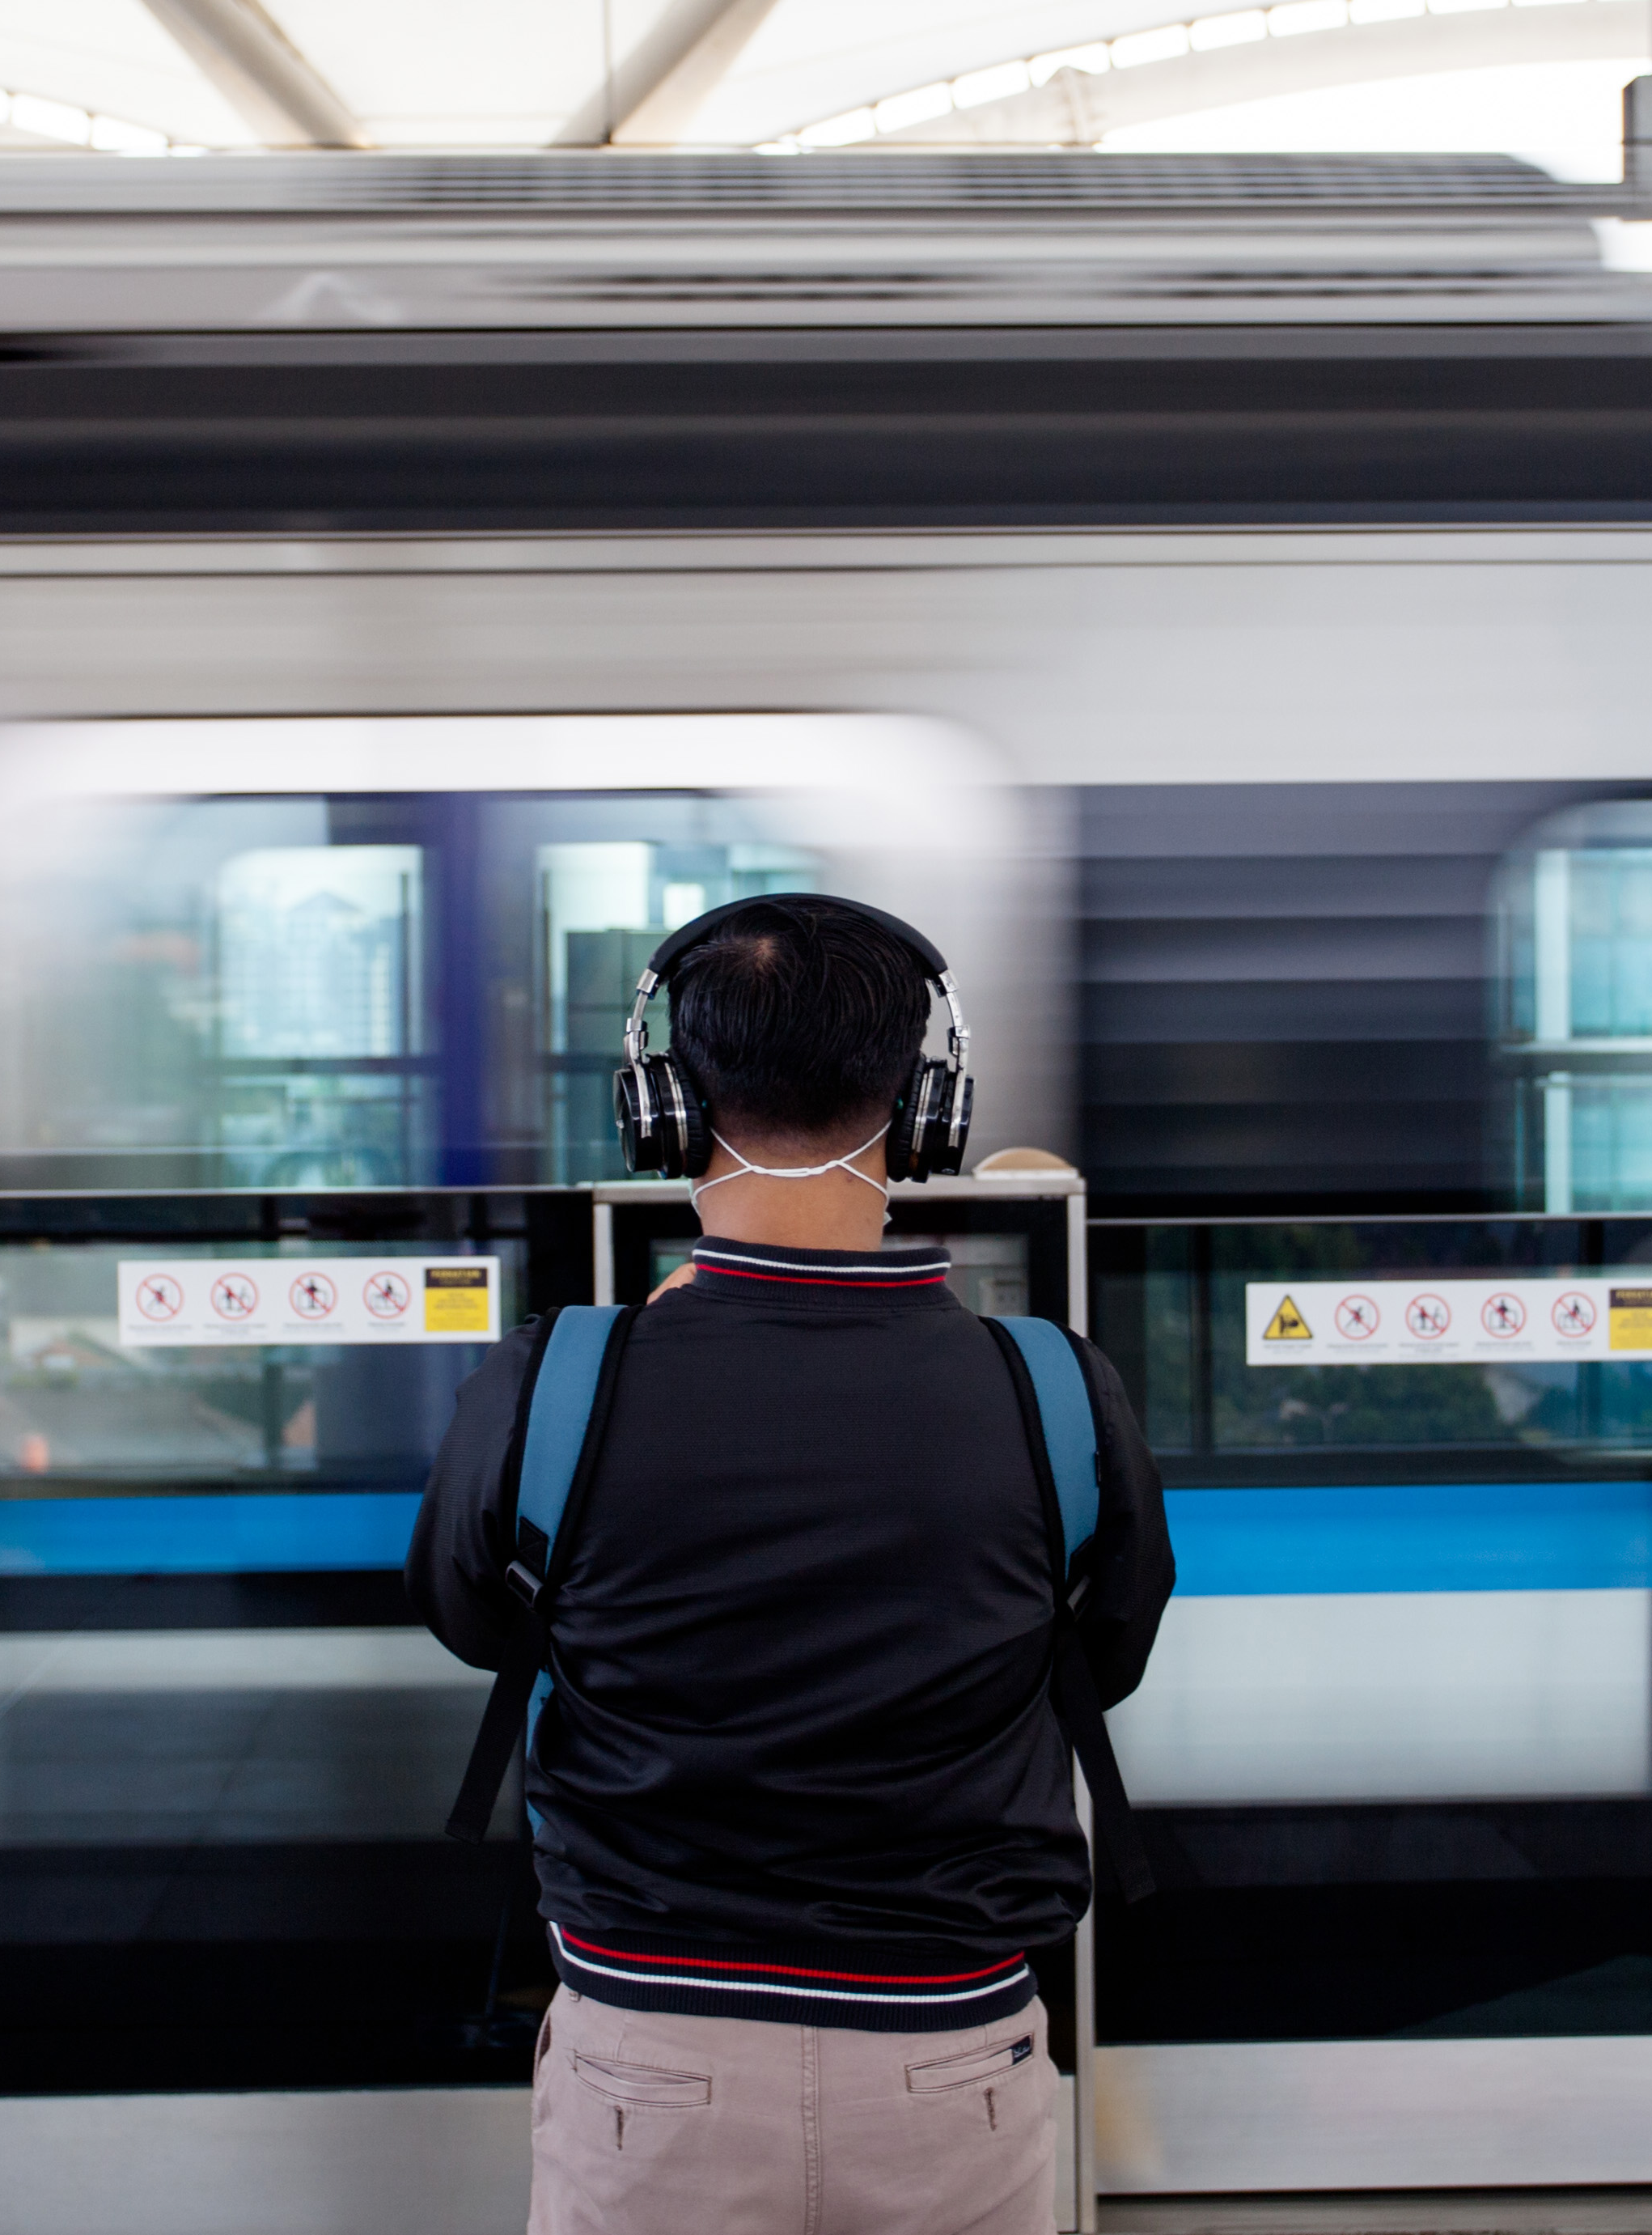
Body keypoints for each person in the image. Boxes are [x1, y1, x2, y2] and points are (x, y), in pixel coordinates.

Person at [413, 894, 1173, 2235]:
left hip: (647, 2051)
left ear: (661, 1103)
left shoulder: (557, 1384)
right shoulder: (1054, 1388)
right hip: (952, 2062)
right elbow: (1099, 1659)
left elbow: (474, 1621)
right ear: (927, 1107)